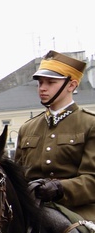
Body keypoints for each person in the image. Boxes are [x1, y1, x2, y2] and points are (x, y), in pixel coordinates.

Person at [15, 50, 95, 220]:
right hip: (32, 210)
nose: (42, 88)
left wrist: (60, 188)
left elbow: (92, 180)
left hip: (77, 212)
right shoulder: (27, 128)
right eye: (40, 83)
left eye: (50, 82)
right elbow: (17, 177)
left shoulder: (90, 124)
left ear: (71, 85)